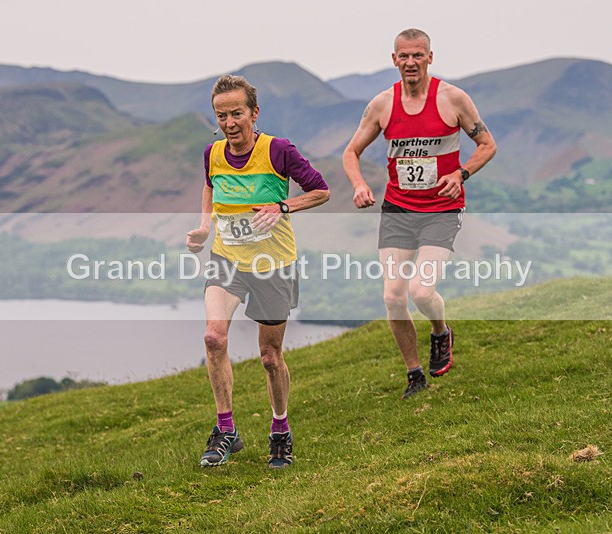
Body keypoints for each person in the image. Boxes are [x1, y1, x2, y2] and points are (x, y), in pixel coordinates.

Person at [342, 28, 496, 399]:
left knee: (421, 290)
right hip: (397, 209)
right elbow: (350, 153)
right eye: (404, 56)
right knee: (394, 296)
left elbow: (487, 144)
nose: (411, 62)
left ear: (430, 57)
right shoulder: (382, 105)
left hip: (441, 210)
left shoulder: (453, 98)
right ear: (394, 59)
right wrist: (359, 185)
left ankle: (441, 332)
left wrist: (461, 174)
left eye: (418, 55)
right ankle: (414, 374)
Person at [186, 75, 330, 469]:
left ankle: (280, 430)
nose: (230, 123)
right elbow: (210, 186)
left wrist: (283, 207)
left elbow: (321, 190)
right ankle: (226, 430)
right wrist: (204, 226)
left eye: (236, 114)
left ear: (254, 113)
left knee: (269, 356)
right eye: (221, 115)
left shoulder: (278, 150)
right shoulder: (212, 152)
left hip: (272, 264)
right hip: (227, 259)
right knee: (213, 337)